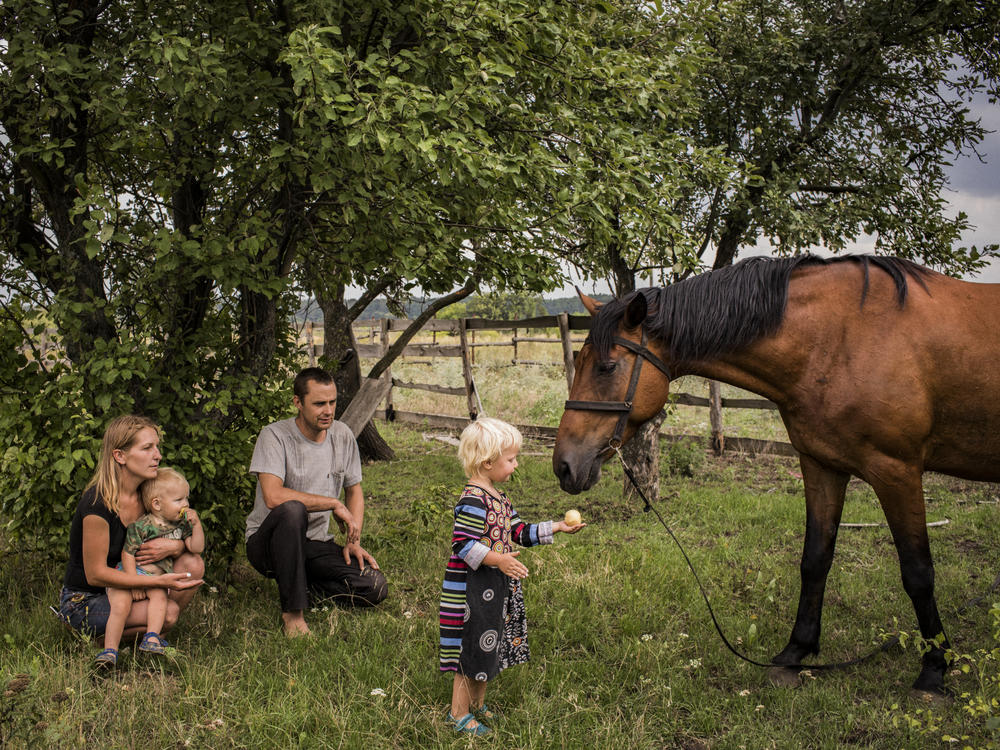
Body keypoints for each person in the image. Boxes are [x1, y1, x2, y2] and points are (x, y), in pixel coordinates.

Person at [438, 417, 585, 736]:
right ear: (488, 462)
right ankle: (457, 713)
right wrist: (498, 560)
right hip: (472, 590)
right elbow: (463, 545)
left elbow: (518, 531)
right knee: (469, 650)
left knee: (487, 645)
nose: (516, 465)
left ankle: (477, 705)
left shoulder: (499, 498)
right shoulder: (474, 500)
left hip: (493, 587)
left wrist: (557, 527)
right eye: (511, 459)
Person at [245, 367, 387, 637]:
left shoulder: (342, 435)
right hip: (268, 545)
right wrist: (332, 503)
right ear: (298, 403)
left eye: (332, 402)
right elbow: (273, 496)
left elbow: (354, 489)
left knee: (374, 586)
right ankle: (293, 615)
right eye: (319, 403)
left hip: (314, 544)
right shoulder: (274, 436)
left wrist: (353, 541)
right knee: (292, 510)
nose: (328, 410)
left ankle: (305, 586)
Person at [56, 415, 205, 670]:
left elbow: (179, 532)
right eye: (147, 448)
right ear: (120, 456)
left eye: (157, 447)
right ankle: (99, 640)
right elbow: (95, 575)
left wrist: (176, 546)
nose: (157, 455)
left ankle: (152, 641)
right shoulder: (97, 504)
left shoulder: (147, 494)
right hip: (87, 599)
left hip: (131, 583)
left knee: (193, 563)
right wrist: (154, 582)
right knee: (168, 612)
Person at [102, 467, 205, 663]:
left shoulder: (181, 525)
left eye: (186, 499)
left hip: (154, 579)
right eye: (178, 500)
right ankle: (109, 649)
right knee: (120, 606)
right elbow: (128, 554)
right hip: (131, 574)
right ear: (157, 504)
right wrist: (134, 582)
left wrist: (197, 525)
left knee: (160, 599)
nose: (185, 504)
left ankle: (152, 638)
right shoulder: (142, 526)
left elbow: (196, 547)